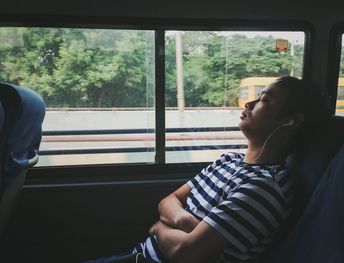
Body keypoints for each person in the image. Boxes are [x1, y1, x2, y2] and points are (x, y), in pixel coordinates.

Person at [85, 76, 330, 263]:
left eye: (264, 100)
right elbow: (168, 200)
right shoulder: (229, 159)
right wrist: (184, 221)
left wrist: (159, 227)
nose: (249, 103)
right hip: (141, 254)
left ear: (289, 121)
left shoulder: (264, 188)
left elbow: (184, 252)